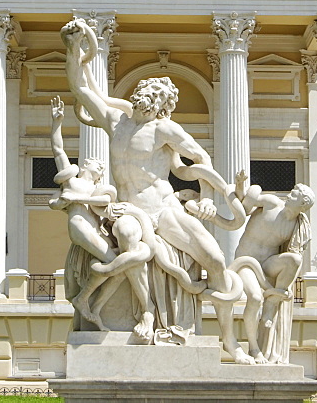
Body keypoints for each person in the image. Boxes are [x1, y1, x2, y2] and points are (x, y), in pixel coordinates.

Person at [61, 18, 252, 361]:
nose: (149, 97)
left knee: (216, 258)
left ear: (163, 106)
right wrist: (74, 47)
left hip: (163, 208)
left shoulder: (165, 129)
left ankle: (229, 340)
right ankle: (147, 313)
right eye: (147, 92)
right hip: (128, 209)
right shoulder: (116, 122)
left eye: (157, 96)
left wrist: (208, 199)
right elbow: (82, 90)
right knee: (128, 240)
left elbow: (198, 158)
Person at [46, 96, 120, 327]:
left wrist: (76, 199)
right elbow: (58, 150)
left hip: (95, 229)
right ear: (84, 165)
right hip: (79, 225)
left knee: (119, 263)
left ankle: (86, 300)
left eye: (100, 166)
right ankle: (84, 299)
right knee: (115, 262)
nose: (97, 163)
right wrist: (57, 122)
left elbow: (104, 203)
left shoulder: (97, 189)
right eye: (93, 162)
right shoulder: (72, 180)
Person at [232, 176, 314, 363]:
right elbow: (244, 204)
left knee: (294, 259)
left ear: (302, 204)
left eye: (294, 195)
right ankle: (254, 349)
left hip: (267, 265)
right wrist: (239, 185)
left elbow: (293, 252)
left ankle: (272, 304)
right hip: (246, 262)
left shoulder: (296, 225)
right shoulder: (271, 203)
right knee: (254, 297)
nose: (289, 195)